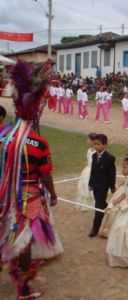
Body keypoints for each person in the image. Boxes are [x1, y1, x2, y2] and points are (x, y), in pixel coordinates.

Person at [0, 60, 61, 299]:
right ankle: (23, 285)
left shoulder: (4, 135)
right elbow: (45, 173)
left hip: (4, 193)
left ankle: (21, 274)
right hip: (27, 197)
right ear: (35, 107)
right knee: (24, 238)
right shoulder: (38, 142)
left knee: (9, 230)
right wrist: (53, 194)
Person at [88, 134, 117, 237]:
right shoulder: (93, 156)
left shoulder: (110, 158)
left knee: (98, 207)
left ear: (105, 145)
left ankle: (95, 229)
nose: (96, 146)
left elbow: (112, 173)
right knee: (100, 204)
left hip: (103, 186)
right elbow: (92, 171)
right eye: (95, 144)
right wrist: (90, 183)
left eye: (98, 144)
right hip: (95, 185)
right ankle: (107, 207)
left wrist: (112, 186)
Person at [77, 133, 97, 210]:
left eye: (88, 139)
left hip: (93, 171)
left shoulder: (96, 151)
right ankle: (86, 204)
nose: (87, 141)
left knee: (92, 187)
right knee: (84, 187)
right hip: (87, 171)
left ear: (93, 141)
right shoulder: (89, 150)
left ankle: (94, 203)